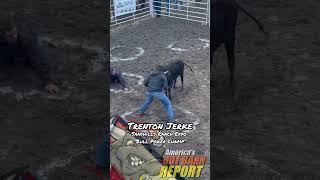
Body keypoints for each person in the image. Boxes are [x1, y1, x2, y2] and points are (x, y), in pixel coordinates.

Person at [0, 16, 59, 93]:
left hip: (23, 48)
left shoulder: (26, 38)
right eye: (10, 36)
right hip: (5, 47)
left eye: (15, 33)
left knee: (32, 60)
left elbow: (38, 58)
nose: (14, 37)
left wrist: (48, 81)